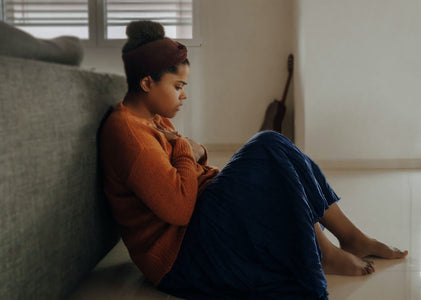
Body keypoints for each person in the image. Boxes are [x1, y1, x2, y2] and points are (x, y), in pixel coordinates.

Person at [98, 20, 408, 300]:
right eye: (178, 87)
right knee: (266, 146)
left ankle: (350, 237)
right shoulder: (128, 134)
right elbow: (178, 209)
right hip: (180, 256)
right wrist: (183, 150)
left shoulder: (152, 117)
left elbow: (191, 158)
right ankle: (323, 253)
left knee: (272, 147)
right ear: (147, 83)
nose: (184, 96)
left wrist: (192, 152)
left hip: (197, 222)